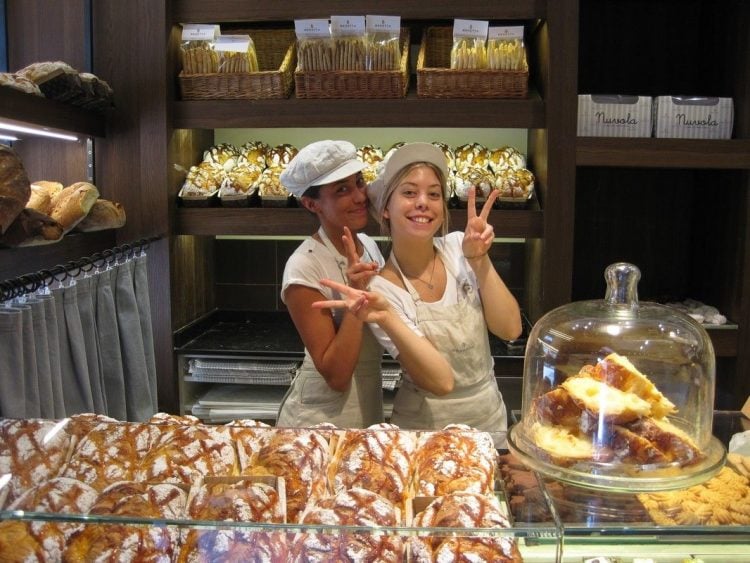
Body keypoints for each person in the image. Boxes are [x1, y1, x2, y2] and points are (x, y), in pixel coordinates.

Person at [313, 142, 522, 443]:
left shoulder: (458, 249)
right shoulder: (380, 290)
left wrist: (480, 261)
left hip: (489, 423)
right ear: (385, 208)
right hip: (423, 433)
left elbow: (511, 329)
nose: (423, 202)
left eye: (434, 194)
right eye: (409, 193)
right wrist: (386, 317)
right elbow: (441, 382)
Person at [275, 140, 386, 428]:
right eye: (342, 190)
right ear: (312, 204)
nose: (360, 196)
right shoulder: (304, 265)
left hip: (367, 399)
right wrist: (357, 299)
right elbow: (335, 376)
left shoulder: (369, 246)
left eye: (359, 182)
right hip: (320, 418)